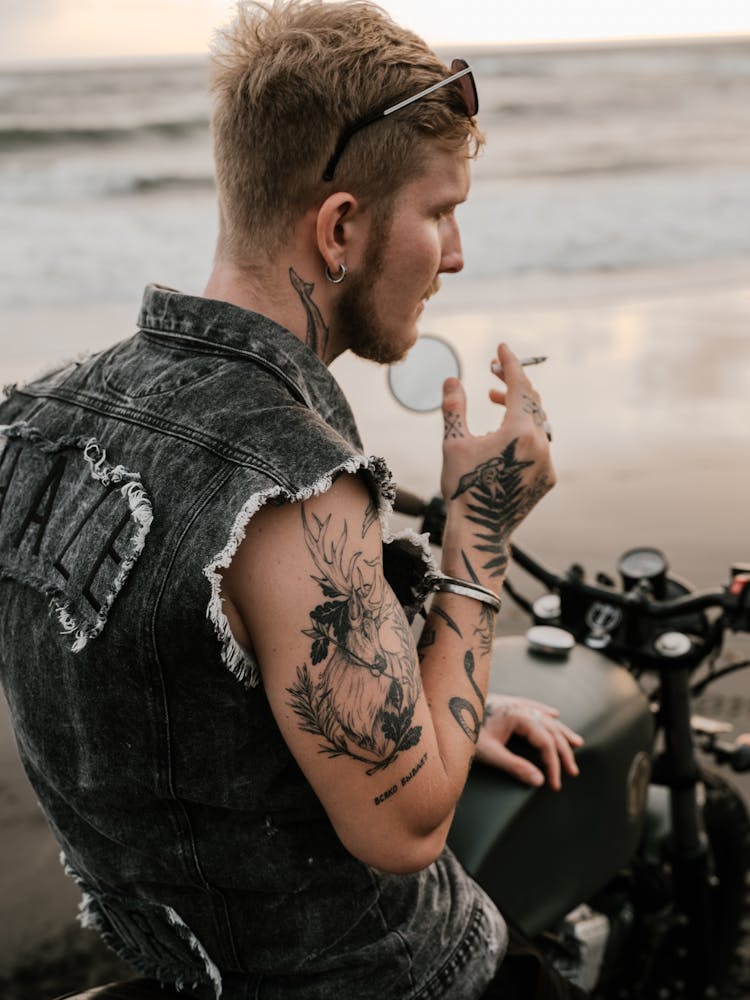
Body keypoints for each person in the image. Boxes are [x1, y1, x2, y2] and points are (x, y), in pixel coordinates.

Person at [0, 2, 586, 997]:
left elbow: (179, 702)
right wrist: (479, 530)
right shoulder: (298, 482)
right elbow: (406, 826)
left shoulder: (34, 421)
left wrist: (407, 707)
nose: (454, 256)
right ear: (342, 226)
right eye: (439, 214)